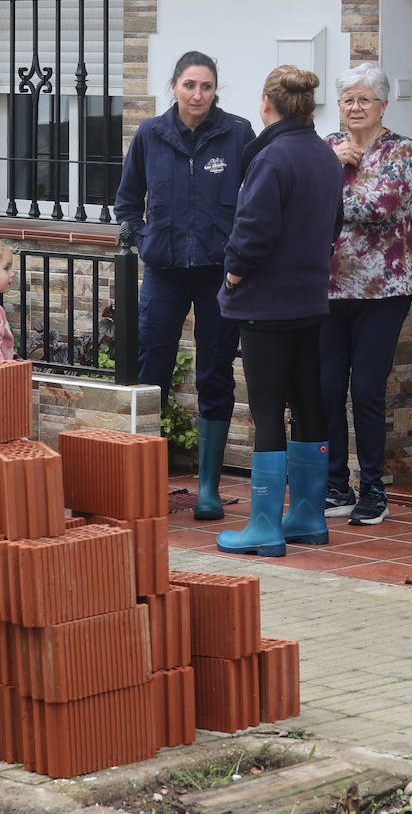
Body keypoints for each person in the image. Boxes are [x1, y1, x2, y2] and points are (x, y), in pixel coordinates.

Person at [114, 51, 255, 522]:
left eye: (207, 87)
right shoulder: (150, 135)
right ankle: (145, 482)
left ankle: (209, 490)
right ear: (173, 86)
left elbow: (256, 197)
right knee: (151, 364)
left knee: (215, 371)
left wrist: (241, 247)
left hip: (220, 271)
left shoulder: (236, 134)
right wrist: (144, 241)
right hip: (165, 270)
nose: (198, 95)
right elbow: (128, 200)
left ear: (216, 90)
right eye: (190, 85)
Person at [214, 65, 344, 558]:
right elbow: (333, 227)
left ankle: (265, 526)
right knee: (308, 401)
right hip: (310, 301)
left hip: (265, 304)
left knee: (267, 409)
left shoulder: (272, 159)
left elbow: (252, 235)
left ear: (267, 102)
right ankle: (308, 517)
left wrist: (231, 277)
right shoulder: (326, 157)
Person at [320, 63, 412, 526]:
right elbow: (306, 203)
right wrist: (338, 173)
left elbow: (380, 207)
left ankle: (373, 489)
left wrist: (340, 181)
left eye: (364, 99)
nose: (355, 108)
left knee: (365, 390)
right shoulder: (325, 149)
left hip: (384, 290)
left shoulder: (401, 151)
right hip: (329, 289)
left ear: (382, 104)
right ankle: (335, 484)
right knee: (325, 390)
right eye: (347, 100)